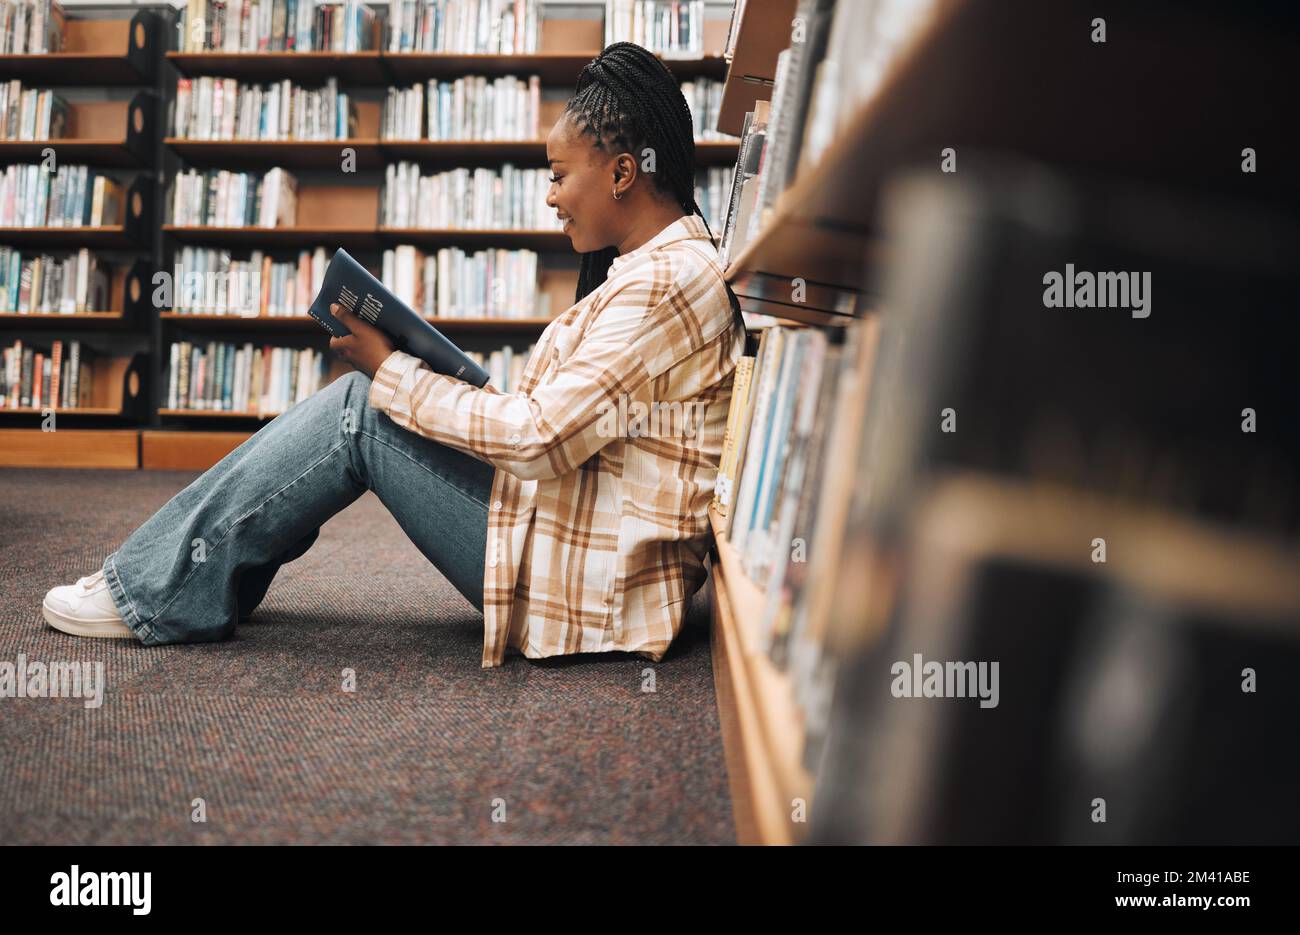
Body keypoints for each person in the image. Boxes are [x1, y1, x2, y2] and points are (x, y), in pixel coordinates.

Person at [41, 42, 747, 669]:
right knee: (371, 401)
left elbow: (538, 438)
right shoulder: (659, 268)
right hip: (565, 537)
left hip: (579, 587)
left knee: (358, 411)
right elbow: (560, 423)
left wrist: (395, 372)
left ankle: (152, 591)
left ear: (623, 172)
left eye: (560, 175)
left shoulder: (667, 281)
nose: (551, 197)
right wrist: (437, 379)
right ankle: (195, 577)